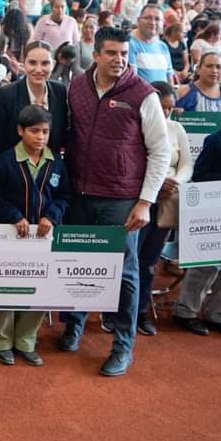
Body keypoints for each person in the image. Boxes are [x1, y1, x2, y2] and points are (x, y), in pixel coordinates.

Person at [61, 26, 171, 377]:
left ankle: (123, 346)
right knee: (77, 264)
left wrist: (144, 202)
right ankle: (74, 324)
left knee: (124, 274)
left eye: (124, 53)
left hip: (121, 200)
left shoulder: (143, 94)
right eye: (111, 53)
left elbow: (160, 152)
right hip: (79, 194)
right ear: (95, 55)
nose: (119, 60)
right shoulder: (77, 86)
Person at [0, 105, 70, 366]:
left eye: (45, 131)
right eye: (34, 131)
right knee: (7, 289)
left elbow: (65, 196)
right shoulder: (5, 161)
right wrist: (14, 216)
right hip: (11, 236)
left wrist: (51, 216)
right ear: (20, 131)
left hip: (43, 238)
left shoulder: (56, 163)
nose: (40, 137)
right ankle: (1, 341)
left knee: (40, 289)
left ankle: (26, 341)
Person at [171, 90, 221, 339]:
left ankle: (218, 313)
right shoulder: (216, 140)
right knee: (205, 265)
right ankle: (185, 311)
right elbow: (199, 176)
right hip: (215, 212)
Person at [136, 81, 191, 336]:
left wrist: (175, 182)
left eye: (171, 108)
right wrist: (155, 185)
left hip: (167, 201)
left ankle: (141, 311)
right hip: (140, 199)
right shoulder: (139, 126)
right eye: (162, 107)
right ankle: (117, 311)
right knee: (130, 259)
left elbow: (187, 165)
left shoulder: (176, 128)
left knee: (149, 261)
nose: (167, 113)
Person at [0, 41, 68, 161]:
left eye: (45, 63)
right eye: (32, 63)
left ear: (54, 64)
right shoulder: (4, 95)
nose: (39, 69)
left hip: (48, 172)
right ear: (23, 63)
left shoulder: (60, 91)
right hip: (11, 172)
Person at [128, 5, 175, 86]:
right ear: (138, 20)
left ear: (163, 23)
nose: (153, 22)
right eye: (148, 18)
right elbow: (132, 81)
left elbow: (170, 79)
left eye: (157, 19)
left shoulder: (163, 47)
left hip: (163, 97)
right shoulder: (130, 44)